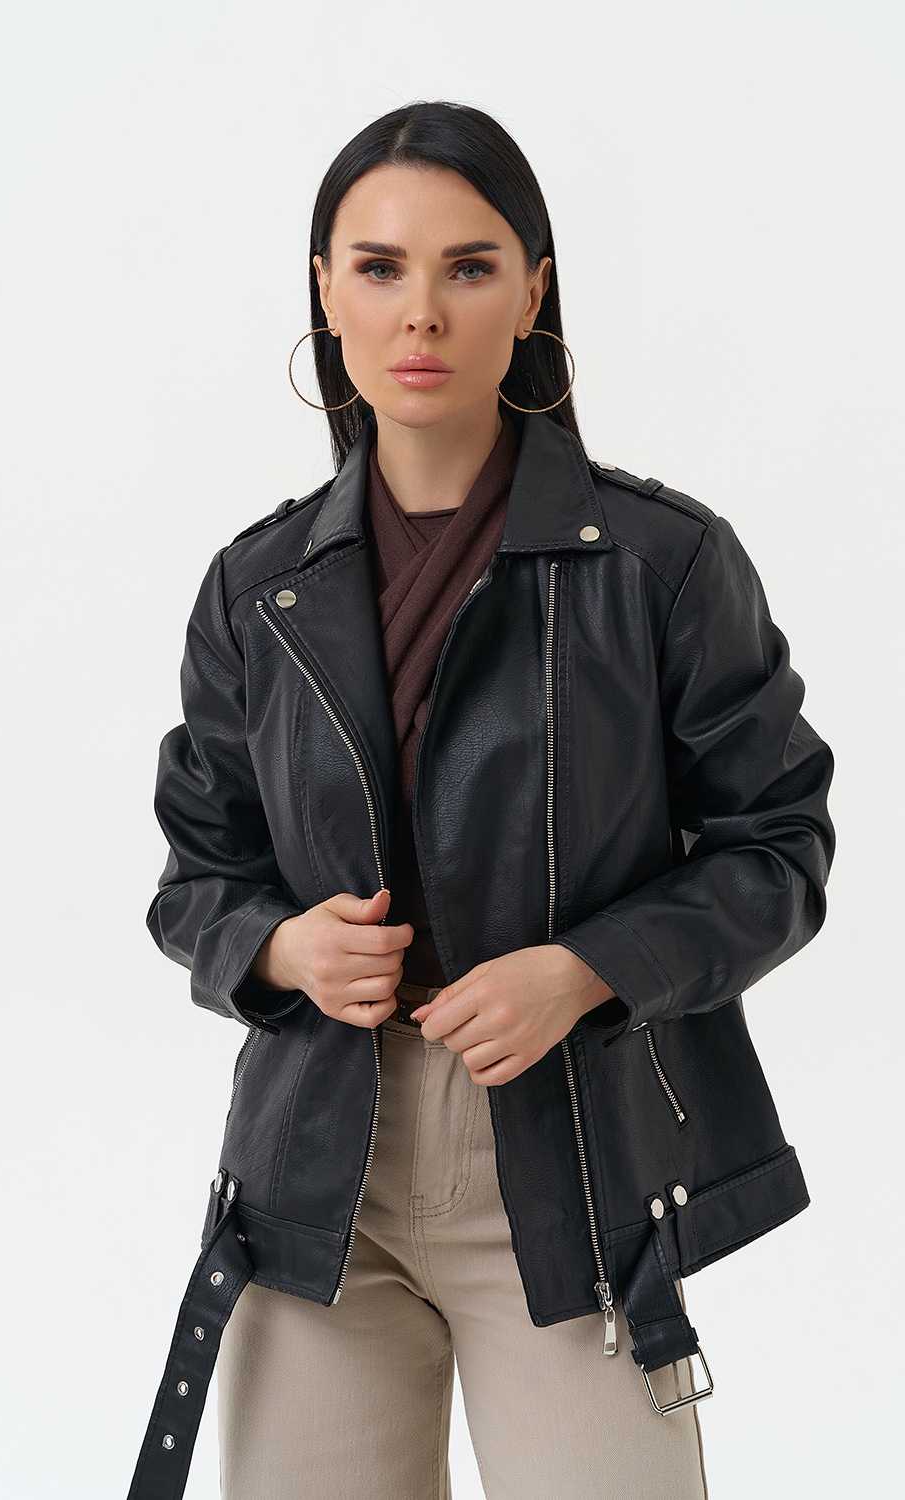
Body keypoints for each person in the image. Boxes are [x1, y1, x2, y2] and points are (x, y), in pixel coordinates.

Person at [127, 102, 835, 1500]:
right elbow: (197, 874)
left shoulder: (663, 565)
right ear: (325, 291)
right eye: (379, 267)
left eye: (469, 266)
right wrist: (281, 948)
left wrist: (585, 970)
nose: (422, 312)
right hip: (315, 1170)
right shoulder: (256, 587)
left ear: (532, 290)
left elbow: (779, 849)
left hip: (566, 1157)